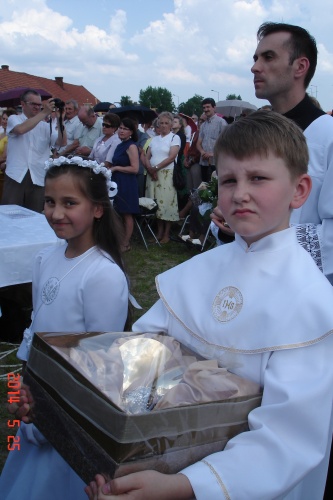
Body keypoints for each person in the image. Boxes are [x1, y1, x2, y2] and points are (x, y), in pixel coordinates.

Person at [86, 111, 333, 500]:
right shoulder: (197, 271)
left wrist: (187, 485)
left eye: (259, 179)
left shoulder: (310, 301)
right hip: (149, 461)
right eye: (229, 180)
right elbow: (139, 351)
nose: (240, 193)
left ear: (300, 190)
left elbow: (289, 436)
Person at [0, 156, 132, 500]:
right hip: (37, 385)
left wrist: (54, 416)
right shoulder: (46, 258)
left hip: (71, 406)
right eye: (49, 201)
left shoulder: (102, 274)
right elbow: (36, 327)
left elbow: (99, 364)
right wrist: (25, 390)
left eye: (69, 203)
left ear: (98, 209)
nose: (56, 213)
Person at [251, 22, 333, 286]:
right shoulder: (256, 136)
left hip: (305, 289)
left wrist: (268, 240)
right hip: (252, 279)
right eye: (255, 58)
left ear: (300, 67)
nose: (254, 67)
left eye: (268, 57)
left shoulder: (327, 136)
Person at [1, 89, 67, 212]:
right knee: (9, 214)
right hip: (16, 175)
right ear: (23, 104)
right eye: (34, 104)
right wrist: (44, 113)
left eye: (39, 105)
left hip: (37, 176)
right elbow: (20, 130)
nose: (37, 107)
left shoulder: (46, 126)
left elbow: (62, 142)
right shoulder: (14, 119)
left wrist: (60, 119)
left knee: (34, 216)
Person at [145, 111, 181, 244]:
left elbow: (171, 157)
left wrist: (155, 168)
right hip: (153, 175)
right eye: (161, 123)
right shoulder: (154, 139)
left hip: (166, 174)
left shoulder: (174, 138)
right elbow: (147, 156)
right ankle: (159, 232)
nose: (164, 126)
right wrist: (150, 169)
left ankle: (166, 233)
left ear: (171, 124)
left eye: (166, 123)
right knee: (156, 204)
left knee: (166, 203)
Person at [109, 118, 140, 252]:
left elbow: (135, 169)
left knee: (127, 214)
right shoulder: (119, 145)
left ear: (131, 132)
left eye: (125, 129)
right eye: (120, 128)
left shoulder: (131, 146)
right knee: (118, 212)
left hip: (127, 182)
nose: (121, 131)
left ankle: (126, 243)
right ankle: (118, 239)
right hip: (117, 182)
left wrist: (116, 168)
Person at [196, 97, 227, 182]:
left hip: (216, 162)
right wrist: (202, 152)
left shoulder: (221, 123)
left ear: (214, 107)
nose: (206, 109)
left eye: (208, 107)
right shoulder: (203, 125)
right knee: (205, 186)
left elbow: (226, 144)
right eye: (204, 107)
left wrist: (212, 153)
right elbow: (198, 143)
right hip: (204, 162)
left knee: (216, 187)